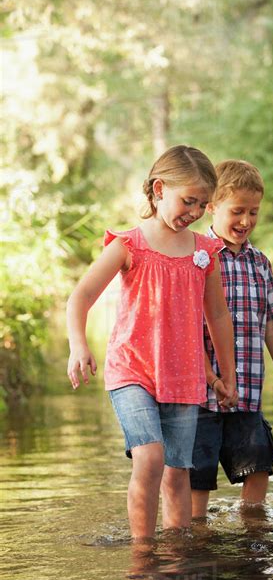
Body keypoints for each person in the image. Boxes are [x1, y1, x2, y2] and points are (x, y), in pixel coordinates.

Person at [66, 145, 236, 538]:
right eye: (188, 201)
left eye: (202, 204)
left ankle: (175, 555)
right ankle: (143, 554)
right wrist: (78, 344)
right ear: (159, 189)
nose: (194, 212)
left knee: (178, 471)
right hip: (132, 371)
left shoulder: (204, 252)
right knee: (150, 457)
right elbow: (81, 297)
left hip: (183, 376)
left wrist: (227, 374)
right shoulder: (129, 245)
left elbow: (218, 315)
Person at [191, 159, 273, 518]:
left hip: (246, 392)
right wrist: (211, 378)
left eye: (254, 212)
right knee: (197, 475)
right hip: (201, 395)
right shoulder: (197, 256)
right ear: (211, 207)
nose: (245, 221)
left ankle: (253, 530)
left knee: (258, 462)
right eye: (237, 211)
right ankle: (197, 534)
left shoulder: (259, 262)